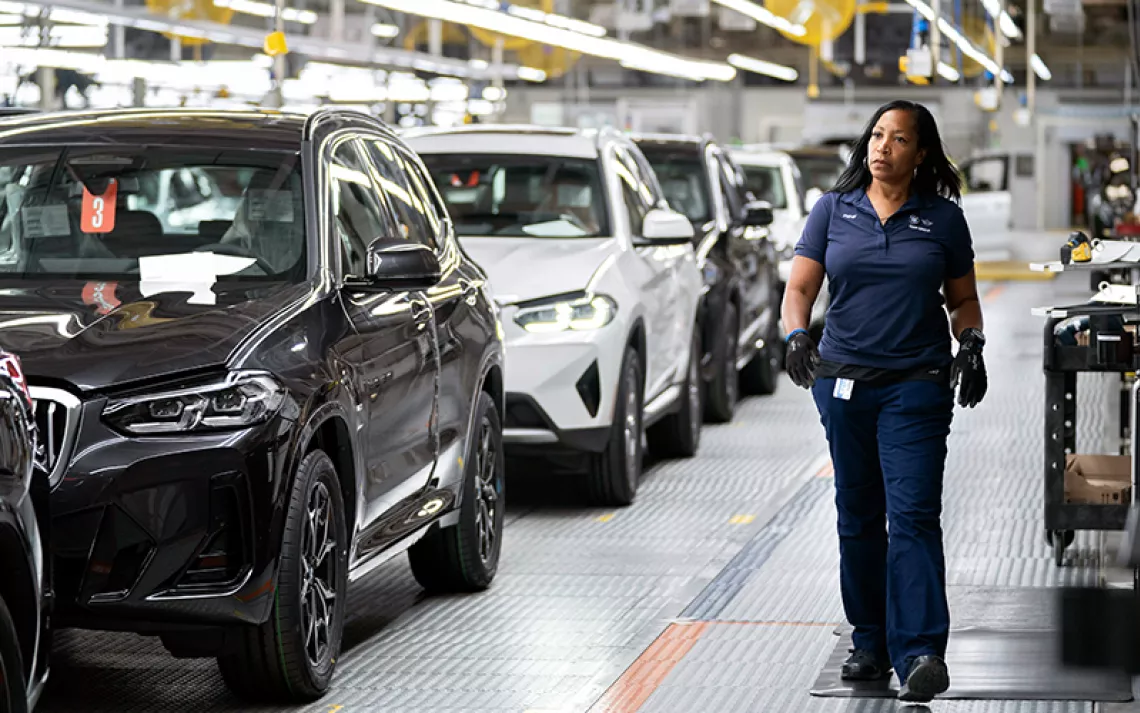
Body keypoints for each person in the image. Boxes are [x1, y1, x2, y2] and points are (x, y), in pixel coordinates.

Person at [780, 100, 988, 703]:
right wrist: (796, 334)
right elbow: (799, 287)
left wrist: (971, 342)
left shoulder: (943, 220)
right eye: (877, 135)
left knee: (915, 513)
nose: (883, 147)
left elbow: (963, 301)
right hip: (843, 382)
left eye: (898, 139)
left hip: (917, 383)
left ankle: (921, 649)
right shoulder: (832, 210)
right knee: (859, 515)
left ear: (920, 153)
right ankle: (869, 641)